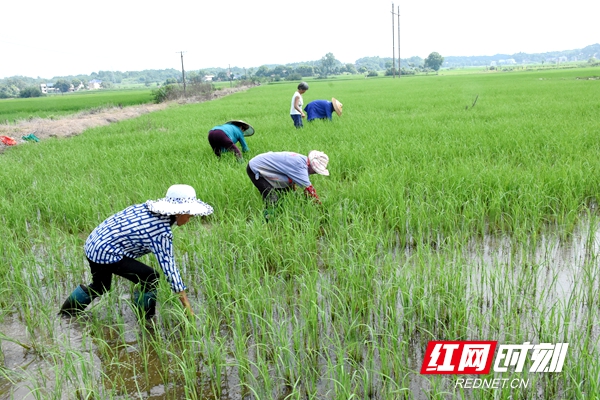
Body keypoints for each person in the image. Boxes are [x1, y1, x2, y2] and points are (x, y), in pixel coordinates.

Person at [59, 184, 214, 319]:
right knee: (150, 277)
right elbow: (171, 271)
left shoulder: (149, 207)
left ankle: (65, 315)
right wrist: (189, 310)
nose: (191, 216)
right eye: (190, 213)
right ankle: (146, 318)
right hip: (105, 251)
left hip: (93, 243)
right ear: (180, 212)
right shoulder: (161, 231)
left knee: (101, 286)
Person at [247, 150, 329, 220]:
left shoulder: (302, 160)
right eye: (315, 171)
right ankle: (267, 222)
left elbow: (291, 178)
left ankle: (280, 216)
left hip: (266, 167)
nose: (315, 173)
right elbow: (311, 192)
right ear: (312, 165)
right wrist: (322, 211)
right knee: (272, 199)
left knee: (286, 195)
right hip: (256, 168)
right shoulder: (300, 167)